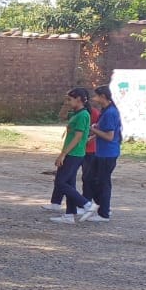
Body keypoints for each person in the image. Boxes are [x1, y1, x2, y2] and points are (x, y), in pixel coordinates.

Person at [49, 88, 96, 224]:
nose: (68, 102)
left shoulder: (83, 115)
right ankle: (69, 215)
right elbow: (62, 116)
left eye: (70, 99)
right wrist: (65, 104)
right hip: (72, 152)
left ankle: (86, 204)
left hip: (74, 153)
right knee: (69, 183)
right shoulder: (77, 113)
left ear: (79, 99)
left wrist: (63, 154)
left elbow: (78, 137)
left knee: (60, 182)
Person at [86, 85, 121, 223]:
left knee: (103, 182)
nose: (94, 99)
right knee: (94, 180)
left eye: (96, 96)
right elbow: (104, 131)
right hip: (102, 152)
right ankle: (103, 207)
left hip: (108, 153)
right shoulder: (105, 110)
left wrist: (92, 130)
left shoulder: (110, 112)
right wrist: (94, 133)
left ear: (103, 97)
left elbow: (109, 136)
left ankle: (104, 213)